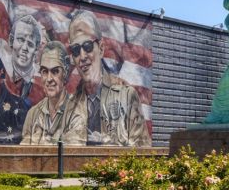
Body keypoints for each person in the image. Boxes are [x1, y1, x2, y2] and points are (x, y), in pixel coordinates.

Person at [68, 10, 149, 146]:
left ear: (100, 49)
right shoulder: (70, 105)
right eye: (76, 49)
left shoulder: (126, 95)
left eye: (87, 46)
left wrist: (109, 144)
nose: (82, 57)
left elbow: (143, 149)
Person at [20, 41, 87, 145]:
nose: (49, 79)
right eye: (44, 71)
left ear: (65, 73)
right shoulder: (32, 114)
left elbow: (73, 152)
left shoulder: (77, 112)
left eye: (55, 71)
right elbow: (24, 152)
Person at [4, 14, 44, 105]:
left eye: (30, 44)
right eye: (20, 40)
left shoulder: (43, 86)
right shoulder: (0, 77)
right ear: (11, 40)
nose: (25, 48)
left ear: (36, 49)